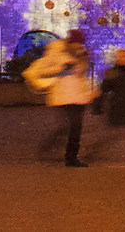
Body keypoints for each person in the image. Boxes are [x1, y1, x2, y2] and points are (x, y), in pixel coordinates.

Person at [25, 29, 94, 166]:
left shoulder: (82, 53)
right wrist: (61, 68)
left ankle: (71, 157)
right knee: (69, 126)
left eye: (80, 44)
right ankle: (55, 148)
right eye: (76, 43)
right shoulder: (56, 49)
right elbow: (43, 68)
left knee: (76, 127)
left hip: (78, 95)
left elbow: (82, 74)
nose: (78, 46)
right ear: (70, 41)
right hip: (62, 95)